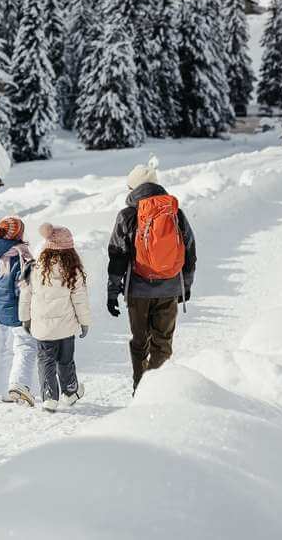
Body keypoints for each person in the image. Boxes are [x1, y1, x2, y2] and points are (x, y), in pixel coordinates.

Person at [106, 156, 198, 391]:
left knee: (139, 343)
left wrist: (112, 290)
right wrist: (184, 286)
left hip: (138, 289)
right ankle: (154, 387)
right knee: (163, 344)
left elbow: (118, 255)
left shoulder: (127, 215)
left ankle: (141, 386)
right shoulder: (174, 212)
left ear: (132, 188)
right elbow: (189, 251)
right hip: (169, 287)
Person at [19, 222, 90, 411]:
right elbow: (80, 299)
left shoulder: (35, 268)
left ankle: (50, 397)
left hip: (42, 328)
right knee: (66, 360)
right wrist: (84, 323)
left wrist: (25, 318)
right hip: (66, 327)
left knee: (45, 361)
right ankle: (70, 391)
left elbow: (25, 295)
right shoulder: (73, 270)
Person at [0, 215, 38, 405]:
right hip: (19, 310)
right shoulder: (22, 254)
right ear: (17, 234)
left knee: (7, 349)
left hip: (1, 310)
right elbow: (28, 284)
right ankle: (19, 385)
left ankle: (5, 391)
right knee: (26, 347)